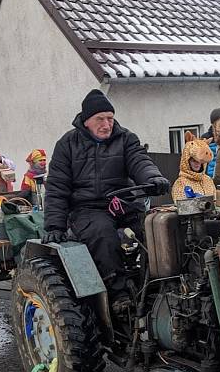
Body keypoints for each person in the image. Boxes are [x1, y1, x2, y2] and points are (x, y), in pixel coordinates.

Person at [43, 89, 170, 312]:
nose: (106, 124)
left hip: (124, 203)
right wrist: (54, 225)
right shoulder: (67, 145)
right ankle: (118, 293)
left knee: (154, 228)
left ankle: (155, 285)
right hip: (87, 208)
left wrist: (154, 178)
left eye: (110, 118)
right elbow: (57, 187)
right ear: (86, 121)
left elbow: (140, 161)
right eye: (100, 119)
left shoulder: (126, 138)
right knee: (102, 234)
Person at [171, 135, 214, 202]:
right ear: (187, 162)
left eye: (199, 161)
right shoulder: (181, 183)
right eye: (194, 161)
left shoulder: (208, 180)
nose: (197, 164)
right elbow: (182, 206)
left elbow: (215, 200)